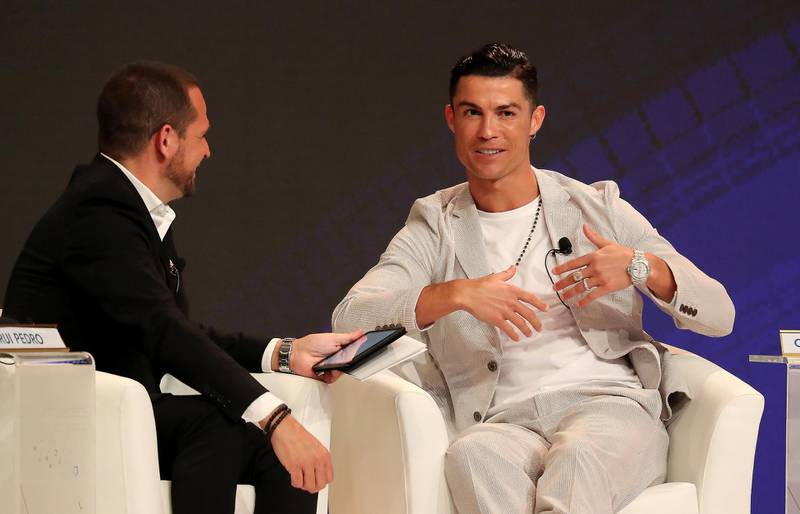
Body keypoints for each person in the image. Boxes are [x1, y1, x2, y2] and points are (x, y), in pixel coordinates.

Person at [332, 43, 734, 514]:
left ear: (535, 120)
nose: (488, 131)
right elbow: (350, 317)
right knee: (471, 457)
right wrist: (454, 294)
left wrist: (639, 267)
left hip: (608, 409)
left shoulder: (593, 207)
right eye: (472, 113)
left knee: (577, 461)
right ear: (451, 119)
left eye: (506, 113)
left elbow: (719, 312)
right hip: (503, 423)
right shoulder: (434, 223)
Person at [3, 62, 361, 514]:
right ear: (166, 139)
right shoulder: (98, 213)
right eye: (202, 135)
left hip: (121, 406)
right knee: (216, 425)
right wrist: (275, 417)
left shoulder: (132, 207)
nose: (208, 150)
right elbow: (165, 332)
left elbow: (177, 329)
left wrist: (286, 353)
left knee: (274, 456)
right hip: (64, 420)